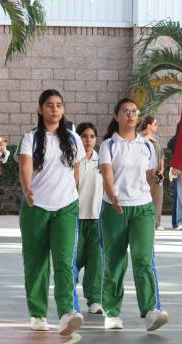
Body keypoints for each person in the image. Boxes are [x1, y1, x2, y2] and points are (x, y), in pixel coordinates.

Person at [18, 89, 85, 336]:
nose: (54, 109)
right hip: (36, 207)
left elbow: (76, 172)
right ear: (40, 109)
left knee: (65, 262)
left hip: (66, 207)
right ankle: (37, 313)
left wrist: (72, 194)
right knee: (36, 263)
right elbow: (25, 166)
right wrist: (27, 190)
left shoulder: (74, 139)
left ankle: (67, 312)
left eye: (58, 105)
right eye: (49, 105)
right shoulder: (31, 138)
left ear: (63, 109)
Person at [99, 97, 169, 331]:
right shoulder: (109, 145)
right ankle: (111, 312)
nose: (130, 115)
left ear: (138, 116)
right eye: (125, 111)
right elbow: (107, 174)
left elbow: (150, 177)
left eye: (134, 111)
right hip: (115, 208)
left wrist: (158, 177)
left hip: (142, 208)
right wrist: (113, 196)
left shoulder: (146, 145)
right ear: (117, 116)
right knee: (115, 260)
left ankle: (150, 311)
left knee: (143, 260)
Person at [76, 122, 104, 314]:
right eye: (84, 136)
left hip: (96, 218)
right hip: (74, 218)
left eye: (92, 136)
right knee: (72, 261)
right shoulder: (71, 160)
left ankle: (94, 300)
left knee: (96, 262)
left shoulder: (102, 162)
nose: (88, 140)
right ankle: (69, 299)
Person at [140, 115, 165, 231]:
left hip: (156, 172)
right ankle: (144, 221)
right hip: (144, 172)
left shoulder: (156, 138)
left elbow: (161, 155)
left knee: (158, 197)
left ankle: (157, 222)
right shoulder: (139, 137)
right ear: (148, 125)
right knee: (144, 197)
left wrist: (162, 169)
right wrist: (147, 137)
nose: (157, 126)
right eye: (155, 124)